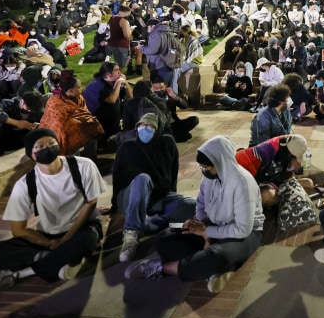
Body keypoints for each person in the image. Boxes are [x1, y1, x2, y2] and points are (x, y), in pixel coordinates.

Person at [0, 129, 106, 294]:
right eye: (39, 146)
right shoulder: (25, 184)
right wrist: (49, 243)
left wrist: (67, 238)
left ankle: (15, 274)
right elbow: (18, 230)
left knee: (86, 241)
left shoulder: (83, 166)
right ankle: (55, 260)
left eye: (51, 143)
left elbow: (91, 202)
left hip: (82, 228)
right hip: (48, 235)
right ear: (31, 155)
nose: (47, 148)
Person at [124, 136, 264, 294]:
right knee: (165, 238)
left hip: (246, 233)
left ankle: (163, 268)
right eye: (202, 167)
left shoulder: (242, 183)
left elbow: (242, 229)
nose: (204, 171)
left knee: (219, 255)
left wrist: (207, 232)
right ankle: (211, 267)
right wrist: (204, 232)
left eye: (207, 167)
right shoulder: (209, 177)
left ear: (221, 163)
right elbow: (201, 204)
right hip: (212, 226)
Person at [112, 113, 196, 263]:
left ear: (158, 129)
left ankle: (148, 223)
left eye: (150, 126)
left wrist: (172, 197)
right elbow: (118, 177)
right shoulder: (128, 147)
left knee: (192, 206)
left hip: (158, 197)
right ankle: (131, 232)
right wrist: (114, 205)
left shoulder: (166, 143)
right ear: (137, 127)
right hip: (132, 197)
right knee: (143, 178)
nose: (145, 128)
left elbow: (172, 173)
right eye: (141, 125)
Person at [39, 70, 104, 157]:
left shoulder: (78, 97)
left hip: (74, 127)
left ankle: (90, 157)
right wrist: (81, 123)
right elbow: (59, 126)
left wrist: (85, 122)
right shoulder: (55, 103)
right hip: (58, 135)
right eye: (79, 87)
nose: (82, 89)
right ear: (70, 91)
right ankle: (71, 162)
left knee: (93, 127)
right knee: (69, 136)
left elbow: (84, 113)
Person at [235, 134, 313, 206]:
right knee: (268, 196)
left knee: (308, 184)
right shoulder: (259, 154)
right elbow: (241, 188)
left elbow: (288, 178)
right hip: (253, 186)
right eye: (296, 158)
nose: (298, 163)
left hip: (274, 183)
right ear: (290, 154)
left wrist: (291, 171)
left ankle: (280, 203)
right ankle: (276, 205)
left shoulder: (290, 144)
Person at [0, 91, 45, 161]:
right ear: (22, 101)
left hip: (22, 135)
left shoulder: (37, 109)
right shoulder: (9, 104)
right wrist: (16, 123)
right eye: (29, 109)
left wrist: (36, 126)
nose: (30, 111)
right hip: (5, 131)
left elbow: (46, 122)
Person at [82, 62, 133, 139]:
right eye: (116, 70)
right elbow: (112, 100)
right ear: (108, 74)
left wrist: (126, 83)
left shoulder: (111, 81)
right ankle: (109, 135)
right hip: (93, 118)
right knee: (114, 107)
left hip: (104, 112)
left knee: (130, 104)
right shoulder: (98, 85)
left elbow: (130, 97)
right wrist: (119, 83)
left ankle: (127, 129)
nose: (120, 72)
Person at [107, 4, 133, 69]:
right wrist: (131, 29)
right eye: (128, 13)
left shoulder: (112, 18)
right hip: (122, 45)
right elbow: (127, 35)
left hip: (113, 44)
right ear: (126, 12)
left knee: (117, 63)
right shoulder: (124, 21)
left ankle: (116, 76)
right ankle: (118, 77)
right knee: (122, 65)